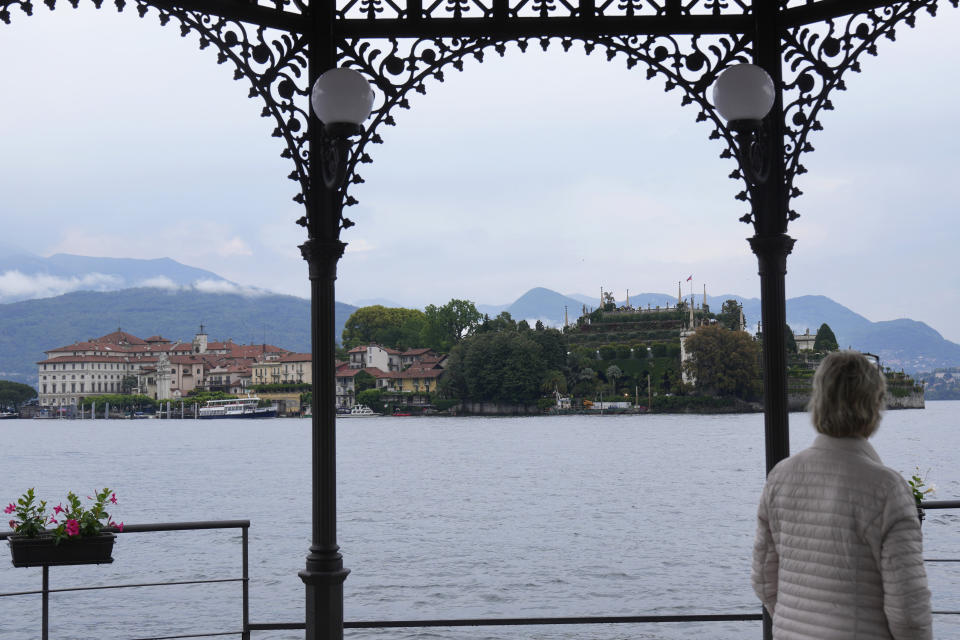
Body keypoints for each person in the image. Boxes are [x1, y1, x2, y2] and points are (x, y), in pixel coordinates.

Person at [752, 350, 932, 639]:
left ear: (818, 400)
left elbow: (763, 580)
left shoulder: (780, 478)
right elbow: (909, 611)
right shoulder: (887, 489)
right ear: (874, 404)